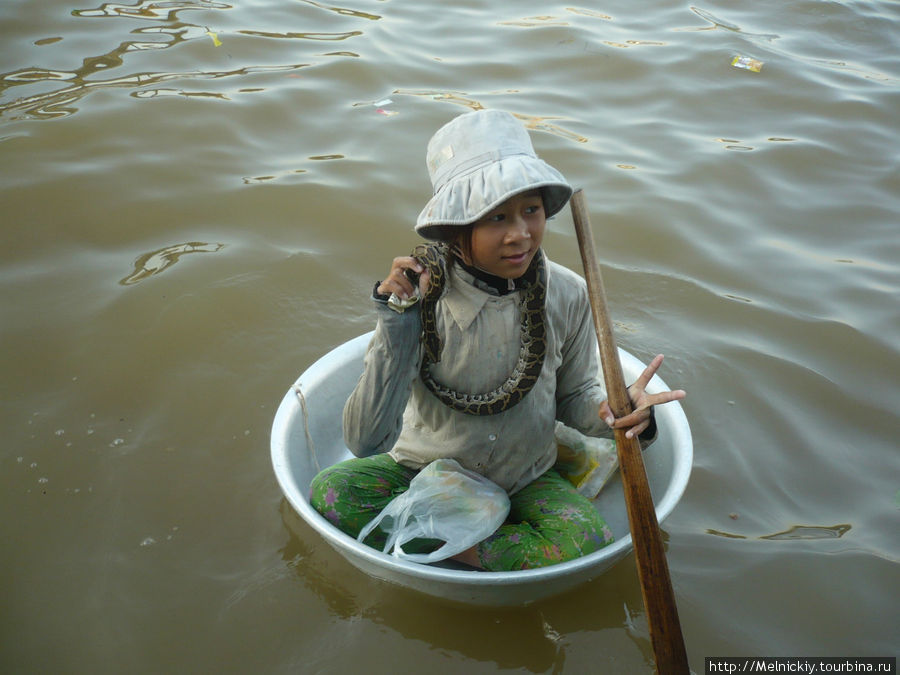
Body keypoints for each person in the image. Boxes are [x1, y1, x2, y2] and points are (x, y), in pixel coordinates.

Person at [310, 109, 685, 571]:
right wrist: (396, 322)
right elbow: (365, 440)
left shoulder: (567, 293)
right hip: (422, 468)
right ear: (455, 227)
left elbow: (574, 397)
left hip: (525, 475)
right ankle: (478, 549)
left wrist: (621, 409)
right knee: (332, 492)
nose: (520, 234)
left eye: (530, 210)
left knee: (585, 537)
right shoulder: (420, 300)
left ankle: (450, 549)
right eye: (495, 217)